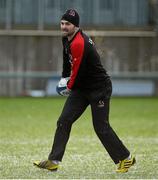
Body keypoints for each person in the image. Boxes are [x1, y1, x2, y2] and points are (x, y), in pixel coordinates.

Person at [34, 9, 136, 173]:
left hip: (98, 88)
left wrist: (69, 87)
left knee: (101, 127)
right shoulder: (67, 39)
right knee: (63, 121)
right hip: (82, 88)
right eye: (62, 23)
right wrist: (64, 78)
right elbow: (68, 63)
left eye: (68, 24)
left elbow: (79, 70)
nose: (64, 27)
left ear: (76, 26)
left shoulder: (79, 42)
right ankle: (54, 160)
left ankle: (126, 158)